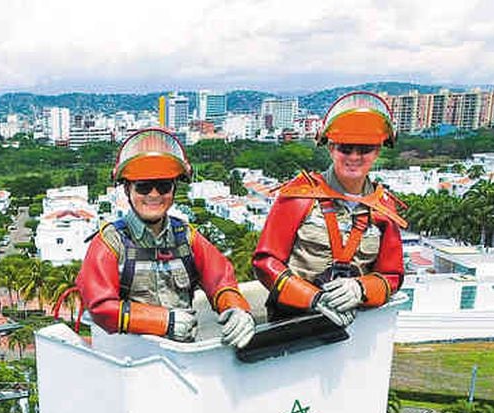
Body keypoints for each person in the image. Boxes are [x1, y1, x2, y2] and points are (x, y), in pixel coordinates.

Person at [76, 128, 255, 347]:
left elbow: (220, 280)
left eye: (163, 186)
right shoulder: (110, 243)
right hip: (129, 358)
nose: (153, 195)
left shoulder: (186, 237)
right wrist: (163, 321)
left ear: (173, 189)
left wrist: (236, 309)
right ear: (127, 190)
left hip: (183, 353)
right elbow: (101, 307)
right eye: (143, 187)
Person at [253, 92, 407, 327]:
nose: (354, 157)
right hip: (293, 319)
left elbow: (392, 275)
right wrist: (312, 298)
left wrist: (361, 288)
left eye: (365, 149)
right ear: (331, 148)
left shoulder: (383, 207)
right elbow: (266, 262)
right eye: (345, 148)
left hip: (355, 322)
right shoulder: (300, 196)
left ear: (377, 151)